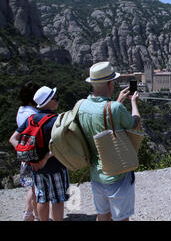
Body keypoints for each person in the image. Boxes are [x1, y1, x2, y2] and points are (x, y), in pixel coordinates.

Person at [78, 61, 141, 221]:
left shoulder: (81, 106)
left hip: (96, 174)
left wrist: (117, 101)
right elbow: (135, 124)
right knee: (121, 218)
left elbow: (102, 119)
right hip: (117, 174)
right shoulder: (115, 108)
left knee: (102, 215)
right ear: (110, 83)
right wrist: (133, 103)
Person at [10, 86, 69, 221]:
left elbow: (13, 139)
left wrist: (28, 157)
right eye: (55, 99)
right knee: (58, 199)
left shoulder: (31, 119)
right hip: (55, 165)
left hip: (36, 167)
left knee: (42, 198)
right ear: (48, 102)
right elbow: (60, 145)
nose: (57, 101)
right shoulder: (56, 119)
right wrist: (45, 158)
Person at [13, 81, 40, 221]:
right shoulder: (33, 114)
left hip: (25, 155)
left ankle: (28, 214)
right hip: (34, 155)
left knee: (32, 187)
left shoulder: (21, 110)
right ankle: (37, 216)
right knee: (38, 189)